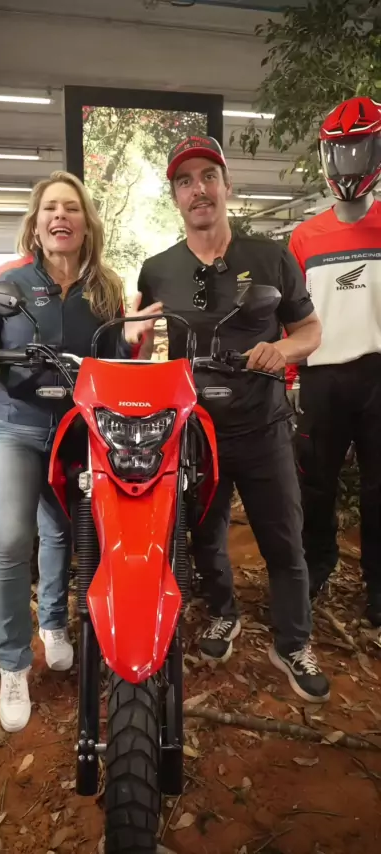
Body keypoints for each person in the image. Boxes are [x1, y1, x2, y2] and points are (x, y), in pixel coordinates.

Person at [0, 170, 161, 732]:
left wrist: (137, 342)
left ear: (86, 224)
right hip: (15, 427)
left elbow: (118, 362)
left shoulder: (106, 288)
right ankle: (13, 664)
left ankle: (53, 622)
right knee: (11, 541)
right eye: (51, 207)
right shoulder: (7, 282)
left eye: (71, 208)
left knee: (64, 532)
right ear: (36, 223)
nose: (61, 216)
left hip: (80, 431)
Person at [137, 135, 330, 703]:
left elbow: (311, 331)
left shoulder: (271, 257)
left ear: (227, 186)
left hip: (264, 425)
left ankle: (292, 642)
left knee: (284, 541)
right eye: (185, 181)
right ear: (176, 197)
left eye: (207, 177)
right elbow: (141, 344)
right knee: (205, 536)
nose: (198, 190)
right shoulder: (158, 269)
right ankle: (224, 613)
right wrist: (133, 340)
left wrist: (282, 350)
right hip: (196, 432)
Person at [288, 96, 381, 627]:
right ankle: (315, 569)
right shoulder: (305, 237)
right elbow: (291, 317)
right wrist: (290, 377)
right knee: (315, 485)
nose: (348, 162)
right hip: (320, 376)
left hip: (377, 374)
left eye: (358, 150)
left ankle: (378, 588)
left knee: (379, 489)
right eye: (340, 151)